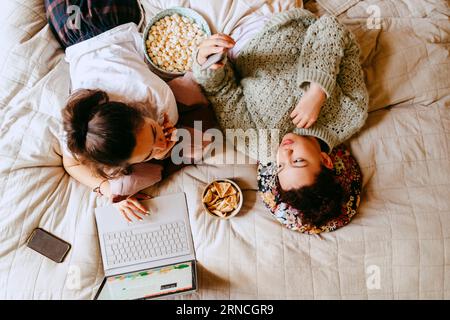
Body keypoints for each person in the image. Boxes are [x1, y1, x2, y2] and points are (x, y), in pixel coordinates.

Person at [193, 8, 369, 230]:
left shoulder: (259, 145)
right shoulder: (351, 113)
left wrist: (205, 63)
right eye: (297, 161)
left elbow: (221, 91)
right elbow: (331, 27)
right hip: (283, 12)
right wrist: (317, 90)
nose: (284, 153)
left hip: (233, 33)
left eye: (280, 166)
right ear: (325, 160)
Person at [45, 0, 180, 221]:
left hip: (84, 26)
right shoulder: (86, 136)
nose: (159, 144)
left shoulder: (157, 97)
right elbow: (71, 164)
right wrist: (107, 190)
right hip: (92, 28)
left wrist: (157, 152)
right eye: (147, 154)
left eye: (155, 133)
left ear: (138, 110)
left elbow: (71, 164)